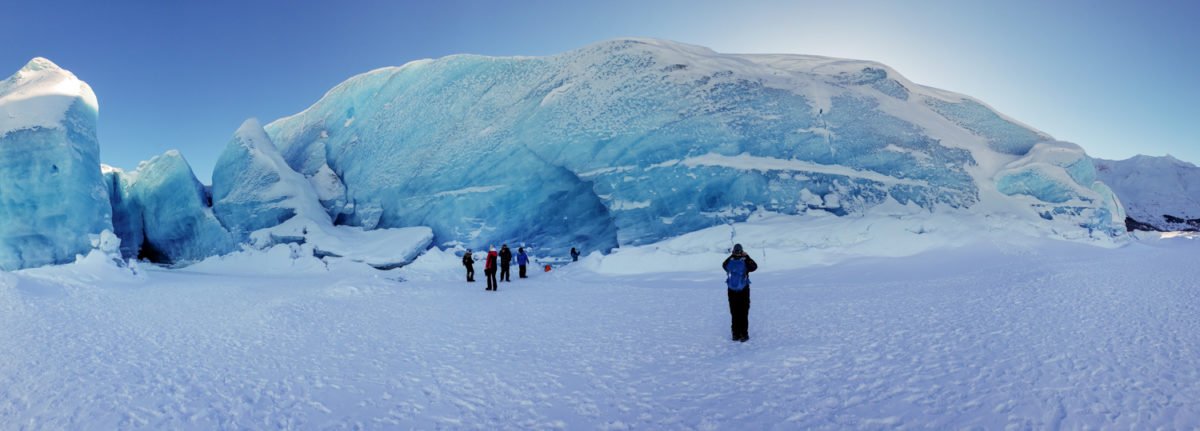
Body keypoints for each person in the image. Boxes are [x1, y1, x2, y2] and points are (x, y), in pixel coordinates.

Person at [722, 243, 758, 342]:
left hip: (731, 290)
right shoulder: (745, 260)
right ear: (741, 251)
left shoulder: (730, 260)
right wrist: (746, 256)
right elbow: (754, 267)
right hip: (743, 290)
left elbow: (724, 265)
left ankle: (735, 334)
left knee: (734, 312)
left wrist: (732, 255)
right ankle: (744, 335)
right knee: (744, 312)